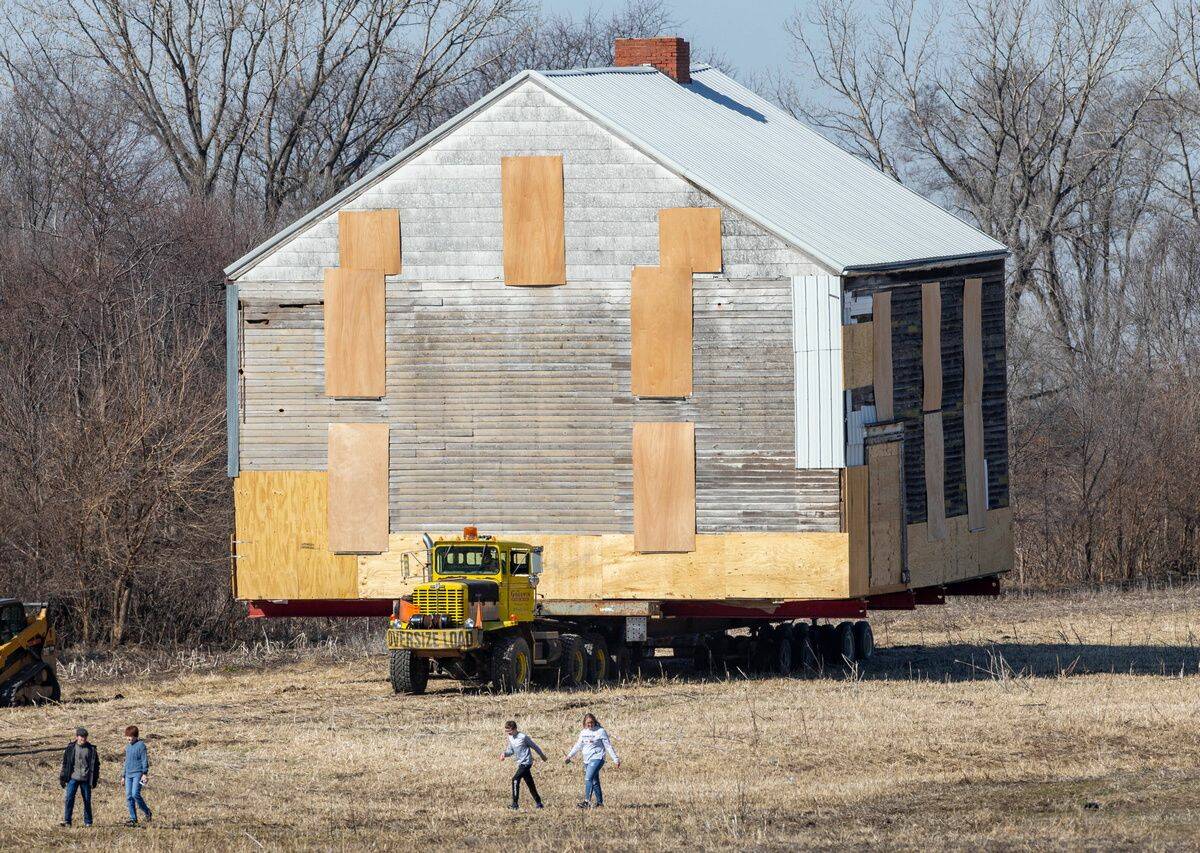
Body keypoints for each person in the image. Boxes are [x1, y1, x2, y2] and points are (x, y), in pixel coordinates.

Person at [564, 713, 619, 808]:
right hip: (586, 759)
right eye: (588, 723)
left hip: (598, 757)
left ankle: (587, 801)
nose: (590, 724)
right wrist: (569, 756)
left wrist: (615, 759)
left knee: (588, 778)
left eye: (592, 722)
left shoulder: (600, 731)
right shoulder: (583, 732)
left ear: (595, 721)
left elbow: (608, 746)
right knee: (594, 781)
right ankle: (600, 803)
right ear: (584, 723)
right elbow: (578, 745)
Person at [59, 727, 100, 827]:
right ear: (77, 737)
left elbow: (96, 765)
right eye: (81, 737)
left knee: (87, 800)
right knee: (69, 799)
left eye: (85, 737)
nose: (83, 739)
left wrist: (94, 779)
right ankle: (67, 821)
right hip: (73, 778)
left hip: (86, 779)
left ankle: (88, 822)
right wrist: (63, 777)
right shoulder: (70, 748)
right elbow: (65, 763)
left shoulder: (91, 749)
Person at [500, 719, 546, 809]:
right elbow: (511, 751)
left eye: (509, 731)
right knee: (530, 783)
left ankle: (515, 804)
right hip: (520, 763)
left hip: (526, 763)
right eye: (506, 731)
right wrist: (504, 754)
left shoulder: (523, 737)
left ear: (515, 729)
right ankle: (539, 803)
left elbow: (534, 746)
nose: (508, 733)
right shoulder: (510, 737)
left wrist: (542, 755)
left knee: (515, 779)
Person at [122, 725, 152, 826]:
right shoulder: (127, 747)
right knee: (129, 796)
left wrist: (145, 773)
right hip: (128, 775)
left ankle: (147, 812)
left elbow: (144, 760)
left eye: (130, 736)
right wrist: (123, 776)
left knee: (135, 794)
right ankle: (133, 819)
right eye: (127, 736)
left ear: (135, 736)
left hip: (138, 774)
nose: (128, 738)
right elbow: (126, 762)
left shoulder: (141, 745)